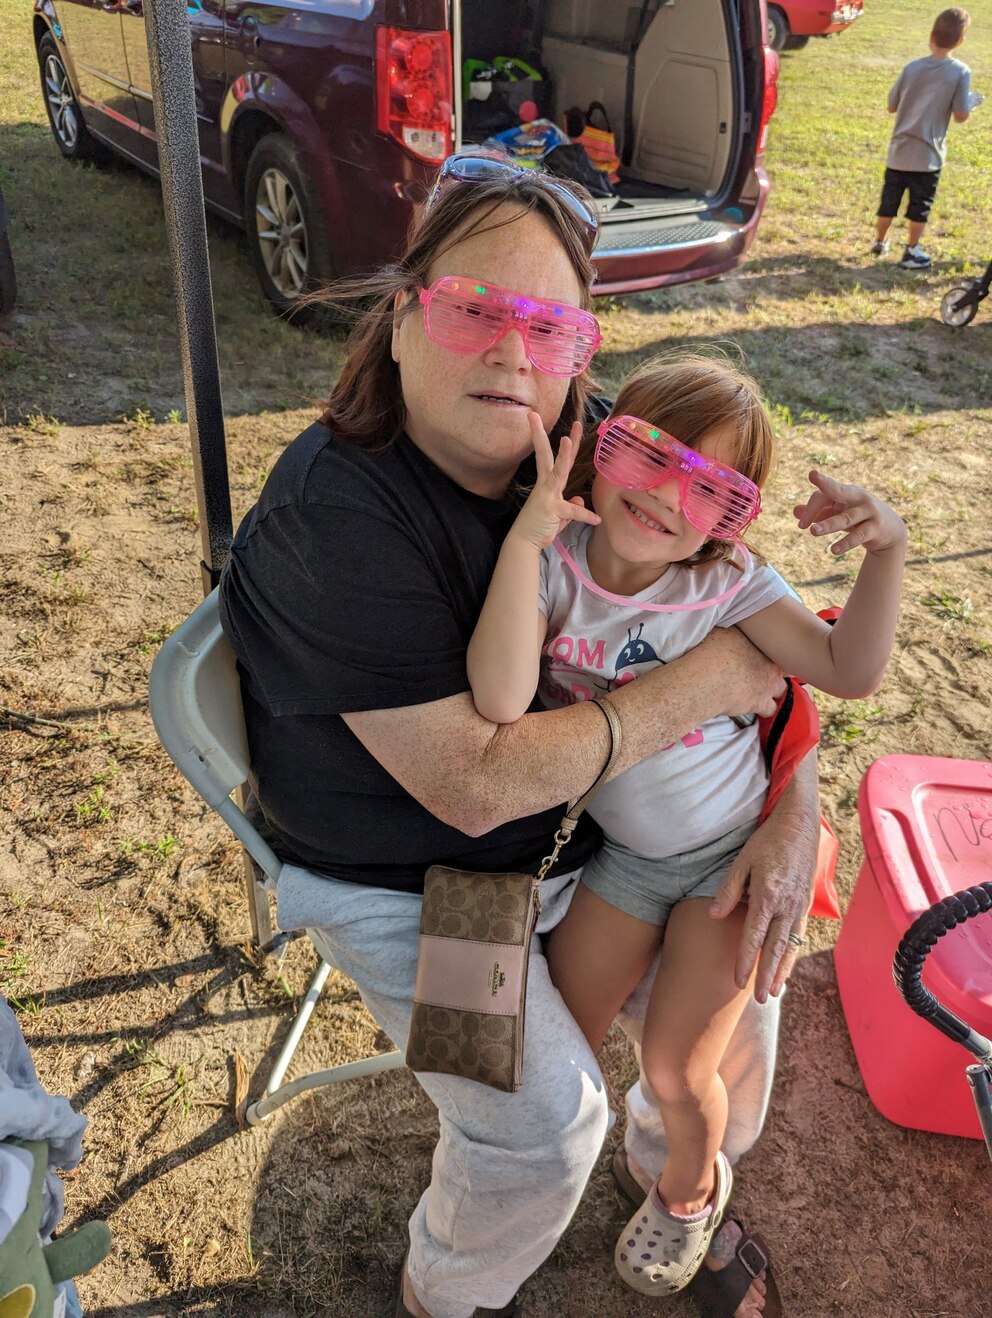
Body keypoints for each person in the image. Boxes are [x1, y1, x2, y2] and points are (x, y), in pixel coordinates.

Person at [219, 154, 823, 1318]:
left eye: (548, 327)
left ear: (582, 350)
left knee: (744, 970)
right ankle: (444, 1293)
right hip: (416, 883)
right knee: (541, 1122)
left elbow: (748, 618)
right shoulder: (331, 523)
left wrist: (794, 800)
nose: (510, 352)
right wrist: (705, 689)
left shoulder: (584, 438)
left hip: (587, 830)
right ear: (401, 320)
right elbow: (477, 787)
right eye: (471, 309)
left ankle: (680, 1180)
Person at [465, 351, 907, 1302]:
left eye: (714, 490)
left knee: (675, 1065)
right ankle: (538, 1189)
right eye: (649, 452)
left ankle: (687, 1190)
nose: (670, 497)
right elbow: (499, 698)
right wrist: (521, 546)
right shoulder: (554, 562)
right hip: (623, 862)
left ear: (734, 519)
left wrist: (889, 553)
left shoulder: (731, 583)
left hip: (727, 869)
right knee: (558, 1048)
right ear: (600, 444)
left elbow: (847, 668)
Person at [870, 7, 975, 270]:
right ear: (961, 40)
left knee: (888, 202)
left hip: (899, 152)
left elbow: (891, 105)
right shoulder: (960, 72)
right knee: (920, 206)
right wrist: (970, 104)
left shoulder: (912, 67)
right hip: (928, 157)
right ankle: (911, 250)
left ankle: (880, 242)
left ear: (931, 35)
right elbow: (961, 115)